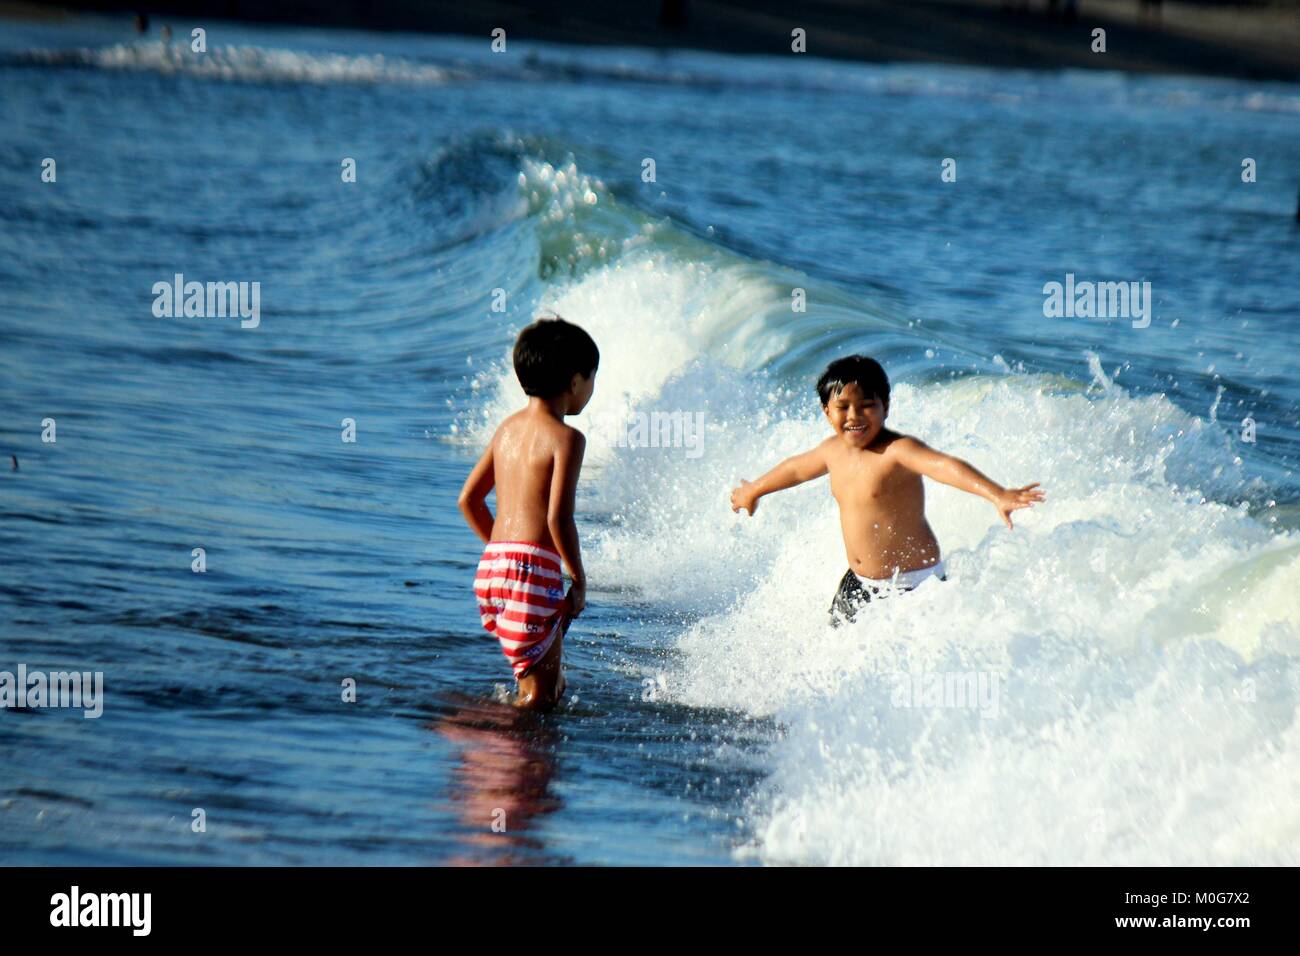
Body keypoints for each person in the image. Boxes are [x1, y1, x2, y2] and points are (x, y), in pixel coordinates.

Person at [730, 355, 1044, 623]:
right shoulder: (831, 451)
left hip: (912, 587)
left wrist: (997, 494)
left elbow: (943, 466)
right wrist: (755, 490)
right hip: (858, 583)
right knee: (836, 655)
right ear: (827, 411)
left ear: (886, 407)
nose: (854, 416)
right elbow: (795, 469)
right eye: (843, 407)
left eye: (867, 405)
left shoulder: (896, 451)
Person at [459, 317, 598, 709]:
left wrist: (502, 555)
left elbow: (469, 500)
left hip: (492, 570)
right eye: (591, 379)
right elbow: (558, 519)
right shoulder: (567, 438)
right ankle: (487, 737)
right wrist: (579, 580)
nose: (590, 389)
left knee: (547, 687)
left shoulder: (507, 429)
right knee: (539, 697)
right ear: (574, 382)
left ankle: (513, 752)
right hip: (532, 572)